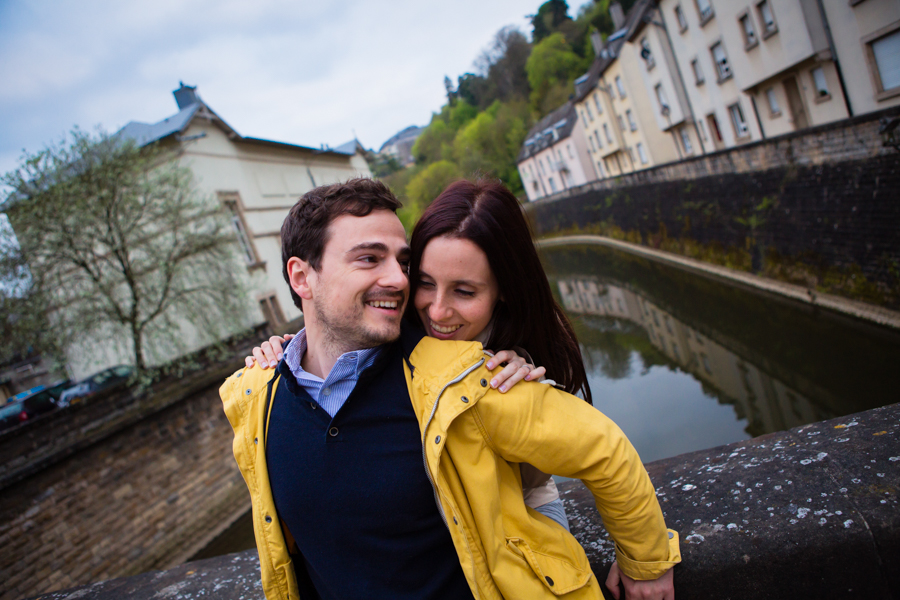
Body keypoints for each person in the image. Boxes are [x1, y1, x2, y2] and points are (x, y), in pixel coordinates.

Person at [220, 178, 680, 600]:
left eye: (402, 263)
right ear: (302, 277)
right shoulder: (256, 396)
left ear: (499, 294)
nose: (402, 283)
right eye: (369, 258)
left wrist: (648, 565)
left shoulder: (471, 378)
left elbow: (604, 450)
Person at [249, 179, 594, 531]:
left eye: (464, 291)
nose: (438, 311)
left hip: (523, 503)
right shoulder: (392, 329)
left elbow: (598, 455)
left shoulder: (500, 360)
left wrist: (521, 370)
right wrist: (291, 349)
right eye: (425, 282)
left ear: (503, 291)